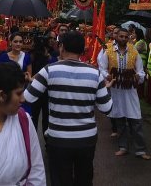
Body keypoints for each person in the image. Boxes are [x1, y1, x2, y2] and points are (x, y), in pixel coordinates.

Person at [26, 30, 112, 186]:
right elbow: (106, 108)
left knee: (60, 179)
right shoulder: (95, 74)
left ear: (62, 47)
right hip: (86, 139)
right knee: (84, 179)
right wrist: (106, 89)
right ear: (82, 50)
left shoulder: (48, 70)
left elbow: (28, 96)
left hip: (58, 138)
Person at [99, 27, 151, 160]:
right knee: (120, 118)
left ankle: (140, 150)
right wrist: (108, 76)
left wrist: (137, 77)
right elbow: (102, 68)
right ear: (116, 37)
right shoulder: (108, 51)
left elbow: (140, 71)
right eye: (121, 36)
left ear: (128, 38)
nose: (123, 38)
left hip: (130, 90)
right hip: (116, 90)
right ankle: (123, 147)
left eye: (125, 36)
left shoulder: (134, 52)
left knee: (136, 119)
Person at [28, 34, 58, 133]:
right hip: (35, 87)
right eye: (50, 38)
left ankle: (47, 142)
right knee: (34, 117)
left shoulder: (53, 53)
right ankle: (33, 141)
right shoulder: (34, 54)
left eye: (54, 38)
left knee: (47, 117)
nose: (52, 40)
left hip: (48, 90)